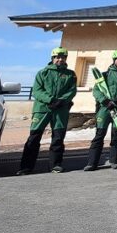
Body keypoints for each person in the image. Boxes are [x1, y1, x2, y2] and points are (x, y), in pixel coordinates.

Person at [17, 47, 78, 175]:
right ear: (52, 58)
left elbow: (72, 90)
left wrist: (61, 101)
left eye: (63, 57)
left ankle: (55, 165)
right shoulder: (43, 73)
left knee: (58, 138)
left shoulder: (70, 74)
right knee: (34, 137)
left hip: (60, 110)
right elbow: (37, 90)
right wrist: (50, 100)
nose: (60, 59)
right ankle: (26, 167)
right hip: (42, 110)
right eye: (57, 57)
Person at [83, 49, 117, 171]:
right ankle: (92, 163)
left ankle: (114, 161)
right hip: (105, 109)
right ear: (113, 60)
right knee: (99, 135)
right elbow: (96, 90)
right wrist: (105, 101)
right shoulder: (105, 75)